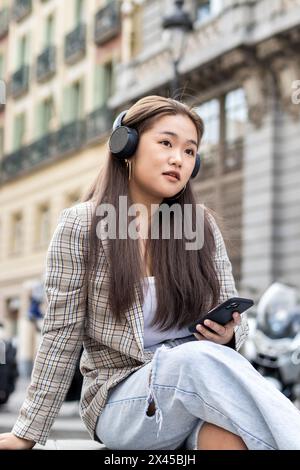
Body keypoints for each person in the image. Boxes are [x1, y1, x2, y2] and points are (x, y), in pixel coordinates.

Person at [1, 95, 300, 450]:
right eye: (166, 143)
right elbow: (60, 336)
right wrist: (27, 433)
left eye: (190, 152)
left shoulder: (200, 227)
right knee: (193, 359)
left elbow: (237, 321)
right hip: (121, 401)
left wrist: (229, 336)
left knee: (228, 438)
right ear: (126, 145)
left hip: (193, 393)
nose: (179, 158)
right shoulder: (81, 225)